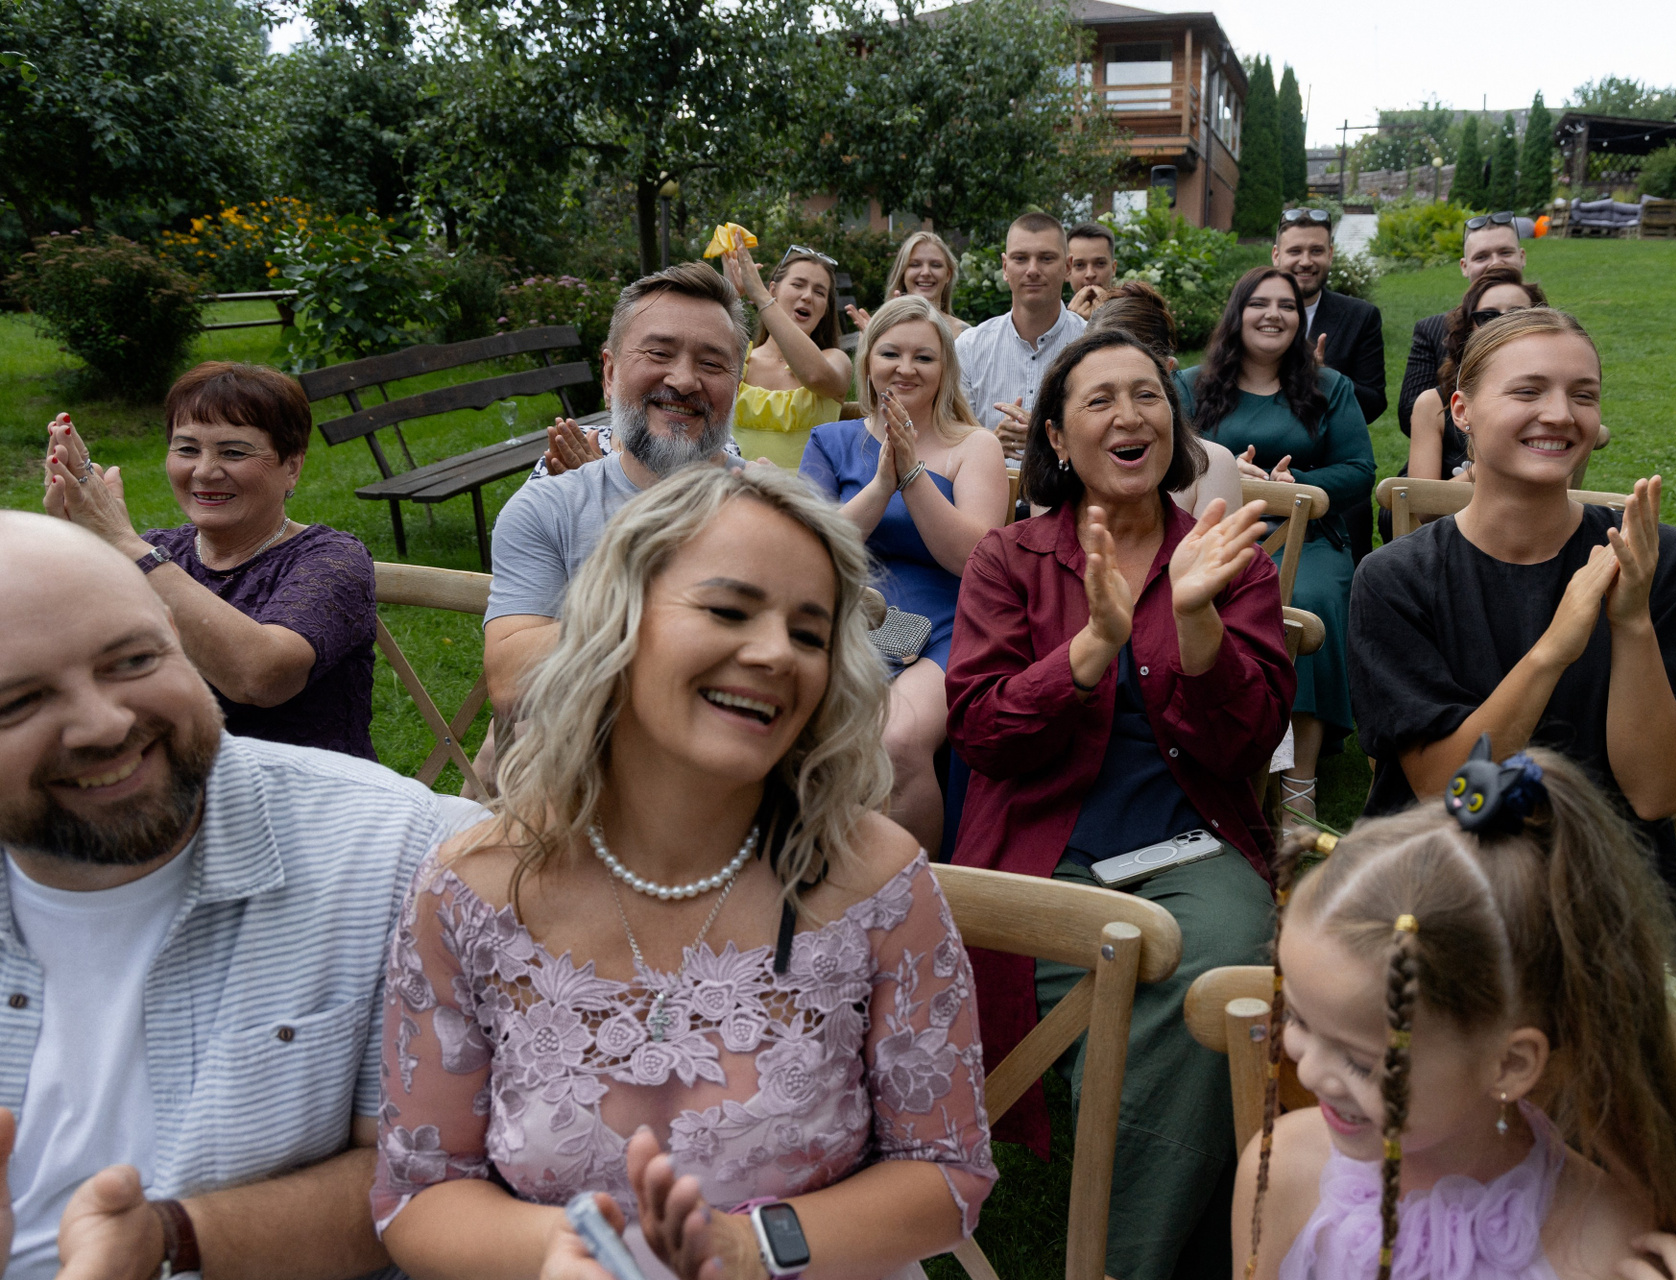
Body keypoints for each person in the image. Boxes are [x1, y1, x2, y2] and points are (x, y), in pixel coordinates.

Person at [373, 465, 996, 1280]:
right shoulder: (473, 890)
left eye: (809, 634)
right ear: (619, 624)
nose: (775, 653)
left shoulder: (875, 883)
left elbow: (945, 1173)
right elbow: (420, 1193)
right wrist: (559, 1252)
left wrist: (749, 1248)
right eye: (729, 610)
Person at [0, 511, 483, 1280]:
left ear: (176, 636)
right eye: (17, 704)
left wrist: (166, 1241)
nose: (103, 724)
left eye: (133, 660)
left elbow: (434, 1176)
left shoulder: (411, 858)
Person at [947, 329, 1292, 1280]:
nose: (1130, 415)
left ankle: (1119, 1261)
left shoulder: (1226, 558)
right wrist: (1091, 648)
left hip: (1190, 840)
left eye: (1148, 395)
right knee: (1152, 1005)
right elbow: (981, 731)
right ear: (1057, 438)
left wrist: (1195, 621)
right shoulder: (1009, 559)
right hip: (1040, 850)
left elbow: (1247, 746)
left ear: (1174, 425)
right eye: (1099, 400)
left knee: (1218, 974)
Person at [1233, 749, 1676, 1280]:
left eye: (1363, 1063)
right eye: (1298, 1019)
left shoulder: (1612, 1252)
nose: (1309, 1070)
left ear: (1509, 1064)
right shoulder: (1283, 1169)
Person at [1348, 308, 1676, 965]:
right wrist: (1555, 647)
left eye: (1583, 395)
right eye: (1528, 391)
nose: (1560, 414)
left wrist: (1631, 623)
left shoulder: (1661, 562)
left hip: (1606, 890)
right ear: (1462, 411)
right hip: (1440, 888)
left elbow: (1659, 794)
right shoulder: (1395, 579)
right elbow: (1447, 792)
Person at [40, 363, 377, 759]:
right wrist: (85, 553)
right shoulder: (160, 550)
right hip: (170, 785)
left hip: (304, 790)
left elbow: (262, 678)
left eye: (233, 452)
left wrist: (124, 547)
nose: (204, 471)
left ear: (292, 466)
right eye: (187, 449)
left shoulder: (333, 558)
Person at [484, 261, 748, 720]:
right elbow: (511, 682)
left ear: (737, 385)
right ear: (610, 374)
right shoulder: (548, 509)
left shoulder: (772, 507)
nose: (684, 380)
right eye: (659, 354)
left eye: (711, 364)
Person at [799, 295, 1007, 857]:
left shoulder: (974, 446)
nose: (906, 368)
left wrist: (911, 473)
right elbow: (810, 551)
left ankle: (913, 889)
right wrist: (879, 487)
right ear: (868, 360)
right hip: (846, 617)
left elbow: (974, 559)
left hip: (946, 626)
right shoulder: (830, 442)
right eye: (891, 353)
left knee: (896, 738)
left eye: (925, 357)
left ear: (946, 369)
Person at [1178, 267, 1376, 833]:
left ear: (1300, 318)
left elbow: (1360, 469)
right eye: (1259, 303)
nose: (1273, 314)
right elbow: (1168, 455)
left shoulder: (1329, 386)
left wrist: (1301, 484)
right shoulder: (1190, 386)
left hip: (1309, 538)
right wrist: (1219, 467)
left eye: (1286, 306)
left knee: (1307, 603)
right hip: (1213, 534)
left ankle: (1298, 781)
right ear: (1236, 314)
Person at [1273, 207, 1387, 568]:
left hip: (1331, 472)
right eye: (1295, 251)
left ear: (1331, 254)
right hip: (1263, 467)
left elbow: (1374, 401)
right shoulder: (1252, 315)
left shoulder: (1360, 317)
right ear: (1276, 255)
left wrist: (1324, 378)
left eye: (1316, 251)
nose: (1306, 261)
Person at [1083, 282, 1242, 516]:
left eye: (1143, 392)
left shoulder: (1211, 466)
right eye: (1101, 396)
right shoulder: (1066, 464)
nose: (1127, 417)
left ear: (1167, 371)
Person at [955, 211, 1086, 455]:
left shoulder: (1092, 344)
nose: (1032, 269)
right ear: (1005, 267)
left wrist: (1045, 442)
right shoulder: (969, 348)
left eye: (1046, 258)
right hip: (989, 480)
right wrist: (991, 446)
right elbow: (952, 442)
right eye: (1020, 258)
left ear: (1067, 267)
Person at [1407, 267, 1547, 483]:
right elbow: (1420, 501)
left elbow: (1555, 492)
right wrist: (1496, 462)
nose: (1502, 326)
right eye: (1487, 317)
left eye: (1518, 316)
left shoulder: (1555, 402)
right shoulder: (1432, 404)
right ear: (1468, 329)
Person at [719, 245, 853, 468]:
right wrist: (729, 298)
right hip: (732, 486)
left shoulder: (836, 360)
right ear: (774, 290)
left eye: (819, 292)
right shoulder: (738, 359)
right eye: (798, 285)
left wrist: (760, 296)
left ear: (825, 309)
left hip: (805, 490)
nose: (807, 296)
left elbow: (814, 376)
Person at [1396, 211, 1527, 436]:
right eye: (1481, 257)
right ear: (1464, 266)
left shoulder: (1553, 330)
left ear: (1522, 257)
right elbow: (1410, 416)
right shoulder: (1433, 330)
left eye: (1505, 252)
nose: (1495, 263)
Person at [845, 231, 971, 338]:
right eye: (915, 264)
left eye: (935, 265)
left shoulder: (965, 335)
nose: (926, 272)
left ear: (948, 275)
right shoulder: (877, 329)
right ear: (902, 273)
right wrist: (875, 343)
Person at [1065, 221, 1118, 319]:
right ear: (1067, 270)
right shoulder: (1052, 321)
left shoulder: (1135, 318)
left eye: (1100, 263)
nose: (1090, 274)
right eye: (1079, 265)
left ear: (1113, 268)